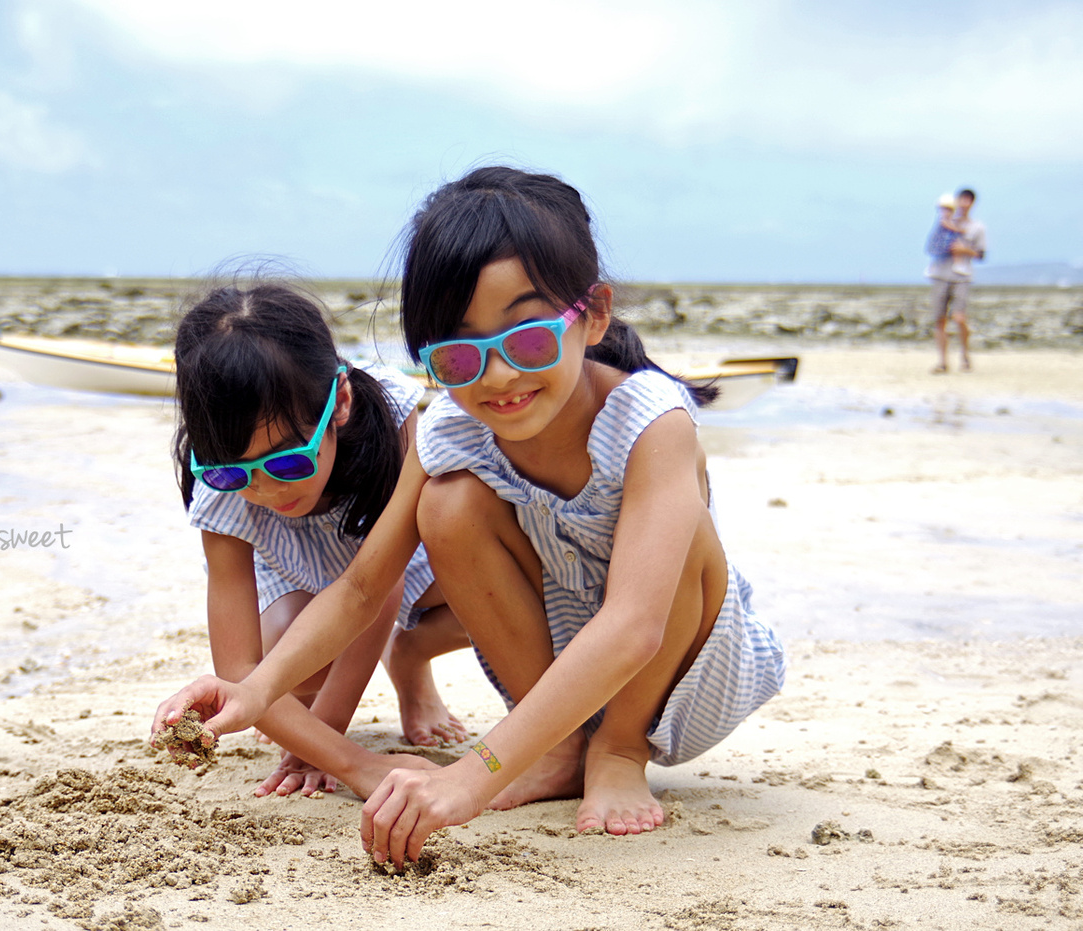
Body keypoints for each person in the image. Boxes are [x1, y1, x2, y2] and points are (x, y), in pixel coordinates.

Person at [153, 167, 787, 866]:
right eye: (460, 353)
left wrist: (474, 772)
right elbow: (365, 587)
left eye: (528, 340)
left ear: (594, 314)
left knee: (685, 525)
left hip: (684, 668)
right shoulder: (449, 427)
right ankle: (557, 749)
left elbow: (634, 625)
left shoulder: (649, 419)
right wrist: (253, 688)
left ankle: (617, 747)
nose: (498, 377)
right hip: (557, 674)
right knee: (447, 502)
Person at [172, 282, 470, 798]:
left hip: (395, 566)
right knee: (283, 660)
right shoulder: (219, 483)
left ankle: (409, 658)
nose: (263, 489)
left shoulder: (390, 419)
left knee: (485, 583)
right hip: (298, 588)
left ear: (342, 403)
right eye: (234, 473)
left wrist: (329, 740)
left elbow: (376, 587)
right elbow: (239, 671)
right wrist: (349, 762)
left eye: (287, 462)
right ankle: (329, 700)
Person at [926, 188, 987, 374]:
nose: (963, 204)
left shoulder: (977, 227)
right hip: (941, 273)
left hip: (962, 276)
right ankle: (943, 362)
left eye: (968, 201)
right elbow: (933, 245)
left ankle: (965, 354)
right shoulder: (945, 222)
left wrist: (964, 250)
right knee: (940, 319)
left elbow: (981, 254)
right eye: (961, 200)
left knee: (959, 317)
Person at [924, 192, 970, 278]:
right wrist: (959, 230)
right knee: (937, 258)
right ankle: (931, 268)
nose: (946, 212)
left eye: (949, 210)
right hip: (941, 242)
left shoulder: (952, 220)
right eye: (944, 210)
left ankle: (958, 265)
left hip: (948, 241)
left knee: (956, 248)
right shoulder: (943, 220)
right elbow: (948, 226)